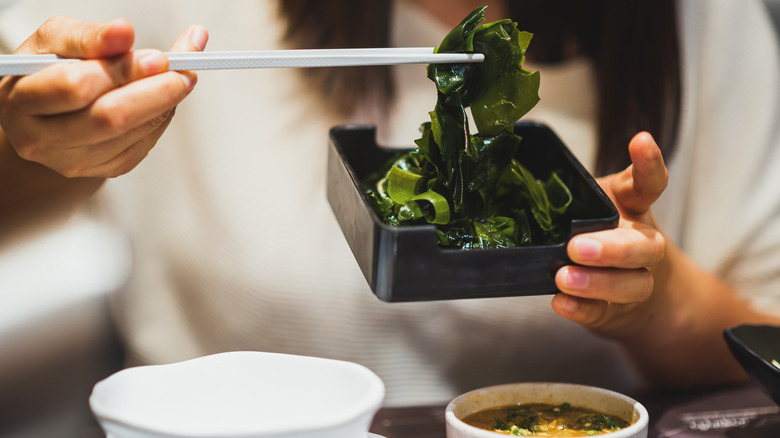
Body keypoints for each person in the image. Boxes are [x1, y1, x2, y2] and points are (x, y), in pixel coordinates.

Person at [1, 0, 779, 406]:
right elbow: (19, 188)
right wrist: (39, 143)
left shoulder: (705, 21)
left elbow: (764, 345)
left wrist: (657, 299)